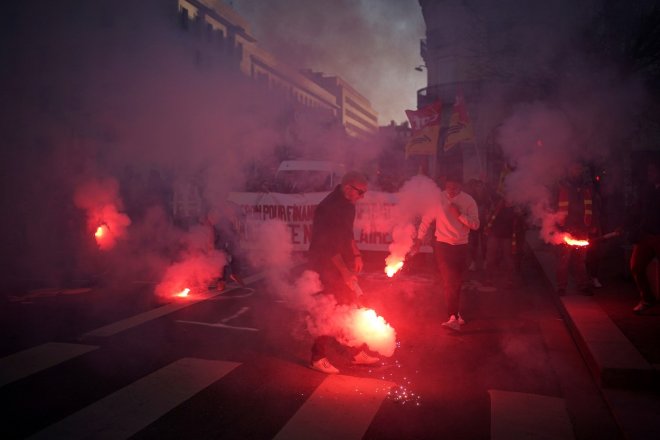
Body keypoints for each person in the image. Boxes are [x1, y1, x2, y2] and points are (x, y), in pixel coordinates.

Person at [308, 171, 380, 374]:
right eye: (361, 192)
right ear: (348, 187)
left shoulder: (349, 205)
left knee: (350, 307)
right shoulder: (327, 208)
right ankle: (317, 357)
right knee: (327, 309)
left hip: (342, 263)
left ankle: (356, 352)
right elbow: (328, 247)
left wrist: (356, 255)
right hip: (325, 264)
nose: (362, 196)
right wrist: (345, 272)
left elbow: (347, 234)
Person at [413, 174, 480, 331]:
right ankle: (453, 317)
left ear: (460, 187)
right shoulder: (438, 199)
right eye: (448, 187)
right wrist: (419, 239)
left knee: (456, 281)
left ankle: (455, 313)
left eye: (455, 188)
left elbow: (476, 224)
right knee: (450, 281)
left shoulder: (468, 201)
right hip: (443, 245)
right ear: (445, 185)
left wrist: (459, 215)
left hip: (461, 246)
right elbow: (426, 220)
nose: (451, 191)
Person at [553, 162, 598, 296]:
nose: (576, 170)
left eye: (579, 168)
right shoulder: (562, 186)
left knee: (580, 260)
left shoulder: (587, 187)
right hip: (566, 227)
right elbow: (554, 205)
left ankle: (583, 285)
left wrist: (593, 224)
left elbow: (593, 206)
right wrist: (556, 225)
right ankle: (562, 286)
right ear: (569, 169)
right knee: (563, 260)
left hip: (582, 227)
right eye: (574, 168)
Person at [630, 161, 660, 314]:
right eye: (649, 172)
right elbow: (637, 210)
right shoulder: (647, 190)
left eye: (653, 172)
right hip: (646, 235)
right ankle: (647, 299)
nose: (650, 175)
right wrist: (626, 226)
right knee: (636, 266)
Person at [482, 195, 525, 288]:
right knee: (490, 258)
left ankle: (509, 280)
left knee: (509, 259)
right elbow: (489, 217)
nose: (510, 200)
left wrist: (520, 216)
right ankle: (488, 279)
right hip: (494, 235)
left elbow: (521, 224)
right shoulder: (497, 206)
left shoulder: (516, 210)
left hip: (508, 237)